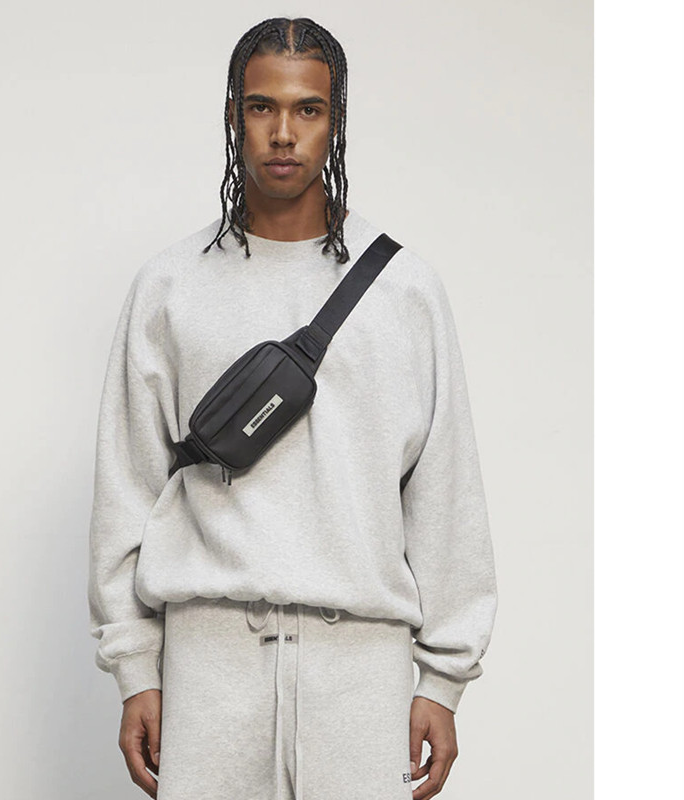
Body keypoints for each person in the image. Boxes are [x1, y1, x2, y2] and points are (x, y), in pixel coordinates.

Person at [87, 16, 497, 800]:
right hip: (208, 669)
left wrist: (443, 680)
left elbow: (446, 491)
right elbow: (127, 484)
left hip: (362, 673)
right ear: (233, 115)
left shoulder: (406, 291)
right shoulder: (170, 288)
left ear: (335, 121)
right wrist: (136, 668)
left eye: (308, 109)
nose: (283, 132)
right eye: (261, 107)